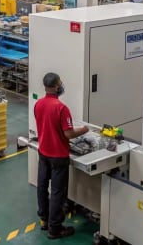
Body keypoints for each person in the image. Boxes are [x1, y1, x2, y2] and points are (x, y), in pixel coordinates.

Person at [35, 72, 89, 239]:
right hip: (58, 156)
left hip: (43, 152)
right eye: (60, 83)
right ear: (57, 86)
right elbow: (68, 134)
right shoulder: (61, 108)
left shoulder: (38, 104)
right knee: (58, 192)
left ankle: (44, 219)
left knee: (42, 187)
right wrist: (84, 130)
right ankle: (55, 228)